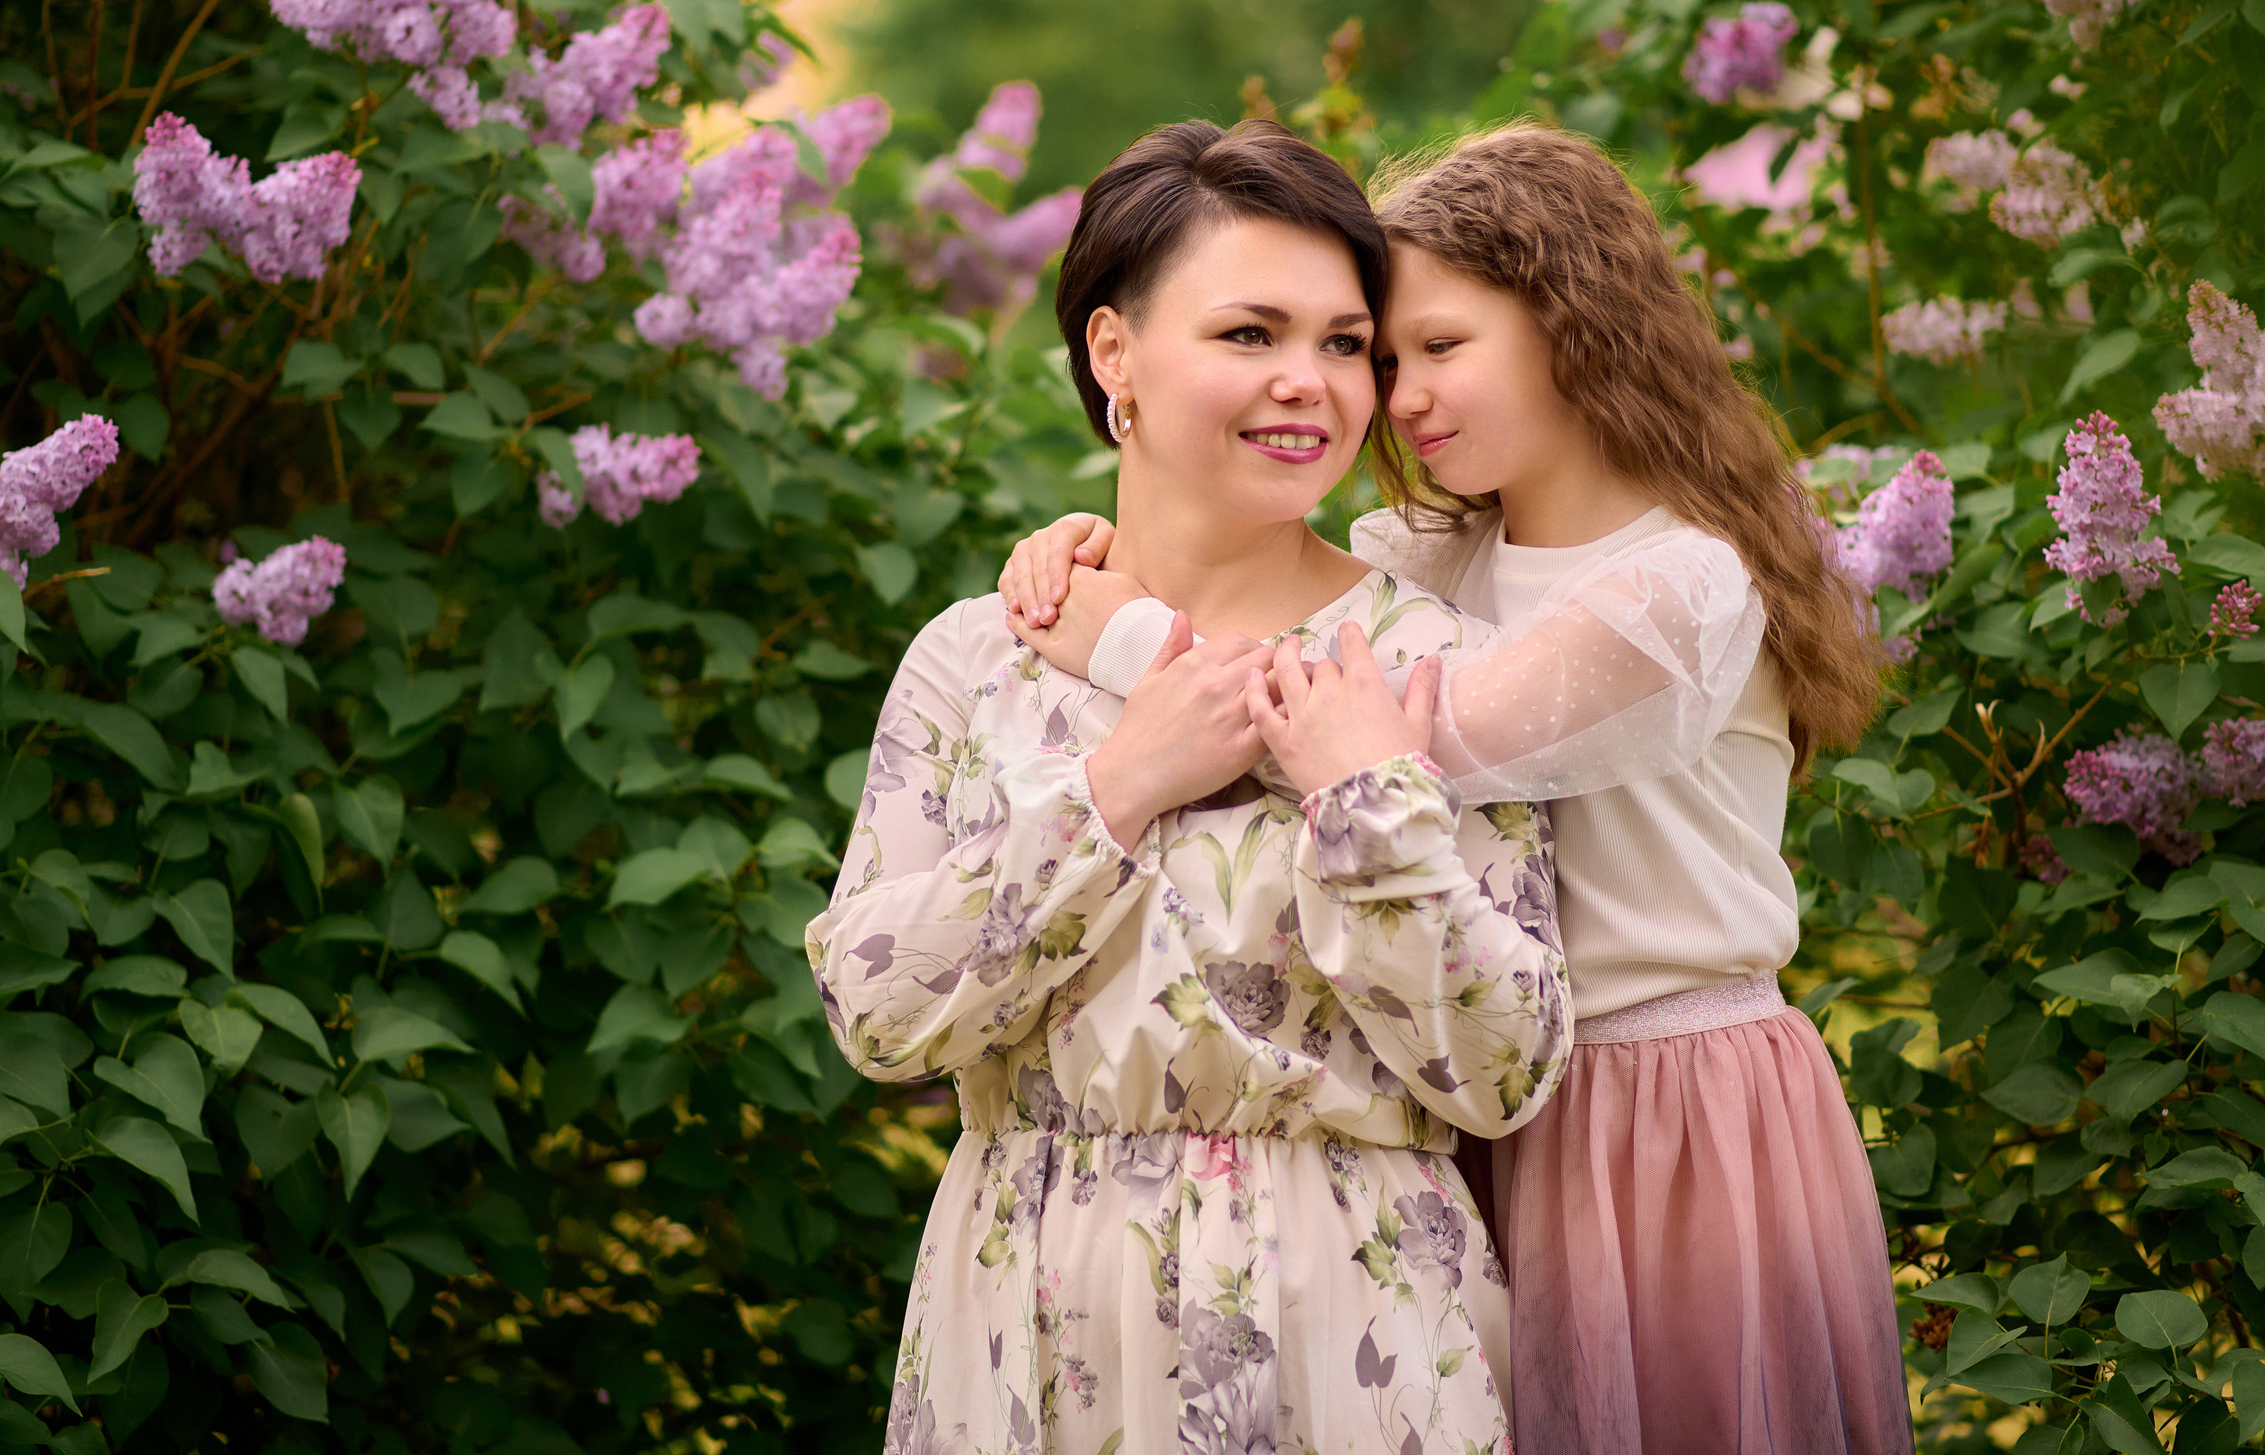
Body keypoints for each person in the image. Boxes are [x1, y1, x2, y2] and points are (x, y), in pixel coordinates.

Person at [996, 122, 1912, 1455]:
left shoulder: (1681, 589)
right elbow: (1277, 592)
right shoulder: (1432, 556)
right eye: (1385, 357)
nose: (1402, 395)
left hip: (1666, 1108)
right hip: (1469, 1086)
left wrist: (1120, 638)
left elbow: (1399, 741)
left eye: (1441, 347)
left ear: (1572, 322)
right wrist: (1100, 543)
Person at [808, 119, 1573, 1455]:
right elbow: (875, 1017)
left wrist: (1369, 812)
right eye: (1249, 334)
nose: (1311, 385)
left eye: (1346, 343)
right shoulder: (978, 657)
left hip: (1356, 1329)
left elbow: (1506, 1069)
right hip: (1025, 1322)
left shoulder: (1428, 667)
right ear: (1115, 355)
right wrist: (1117, 788)